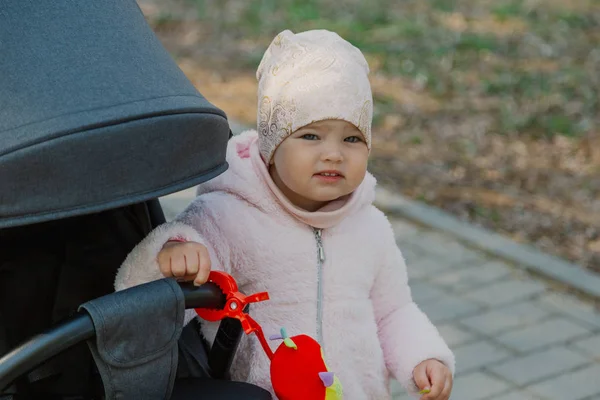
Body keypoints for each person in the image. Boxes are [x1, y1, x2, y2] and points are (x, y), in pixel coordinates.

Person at [115, 29, 455, 399]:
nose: (334, 154)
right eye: (311, 136)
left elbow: (393, 312)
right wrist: (172, 253)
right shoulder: (229, 216)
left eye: (352, 138)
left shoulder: (370, 227)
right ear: (271, 145)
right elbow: (148, 308)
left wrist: (423, 357)